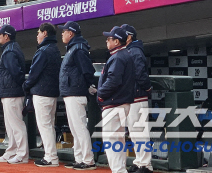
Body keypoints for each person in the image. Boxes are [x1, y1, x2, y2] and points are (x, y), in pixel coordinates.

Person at [59, 21, 97, 170]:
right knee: (75, 129)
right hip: (71, 92)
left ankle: (88, 160)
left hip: (76, 92)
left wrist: (88, 85)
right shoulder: (73, 48)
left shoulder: (79, 48)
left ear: (71, 33)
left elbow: (88, 70)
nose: (62, 33)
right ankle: (79, 158)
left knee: (80, 128)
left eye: (64, 31)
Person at [23, 22, 61, 167]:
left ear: (45, 33)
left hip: (42, 92)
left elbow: (33, 74)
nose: (37, 35)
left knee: (45, 126)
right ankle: (51, 156)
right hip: (51, 93)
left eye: (39, 32)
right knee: (49, 125)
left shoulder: (44, 50)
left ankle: (50, 157)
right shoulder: (55, 49)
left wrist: (26, 86)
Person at [97, 26, 135, 173]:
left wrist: (100, 94)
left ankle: (118, 171)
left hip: (114, 103)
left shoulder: (118, 56)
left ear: (117, 41)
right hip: (122, 102)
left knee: (111, 141)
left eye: (109, 39)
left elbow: (114, 80)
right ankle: (121, 170)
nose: (107, 41)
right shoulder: (125, 54)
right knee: (118, 140)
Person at [0, 24, 28, 165]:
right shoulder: (10, 49)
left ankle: (22, 155)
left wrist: (16, 87)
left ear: (6, 36)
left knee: (16, 124)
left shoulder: (10, 51)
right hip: (10, 92)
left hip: (13, 92)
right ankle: (12, 151)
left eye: (0, 35)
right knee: (10, 124)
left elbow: (16, 73)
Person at [122, 24, 153, 173]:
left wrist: (147, 88)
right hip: (131, 97)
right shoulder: (128, 50)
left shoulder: (134, 51)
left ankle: (146, 165)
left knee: (140, 132)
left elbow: (141, 73)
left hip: (139, 96)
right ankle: (139, 161)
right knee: (134, 133)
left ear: (129, 37)